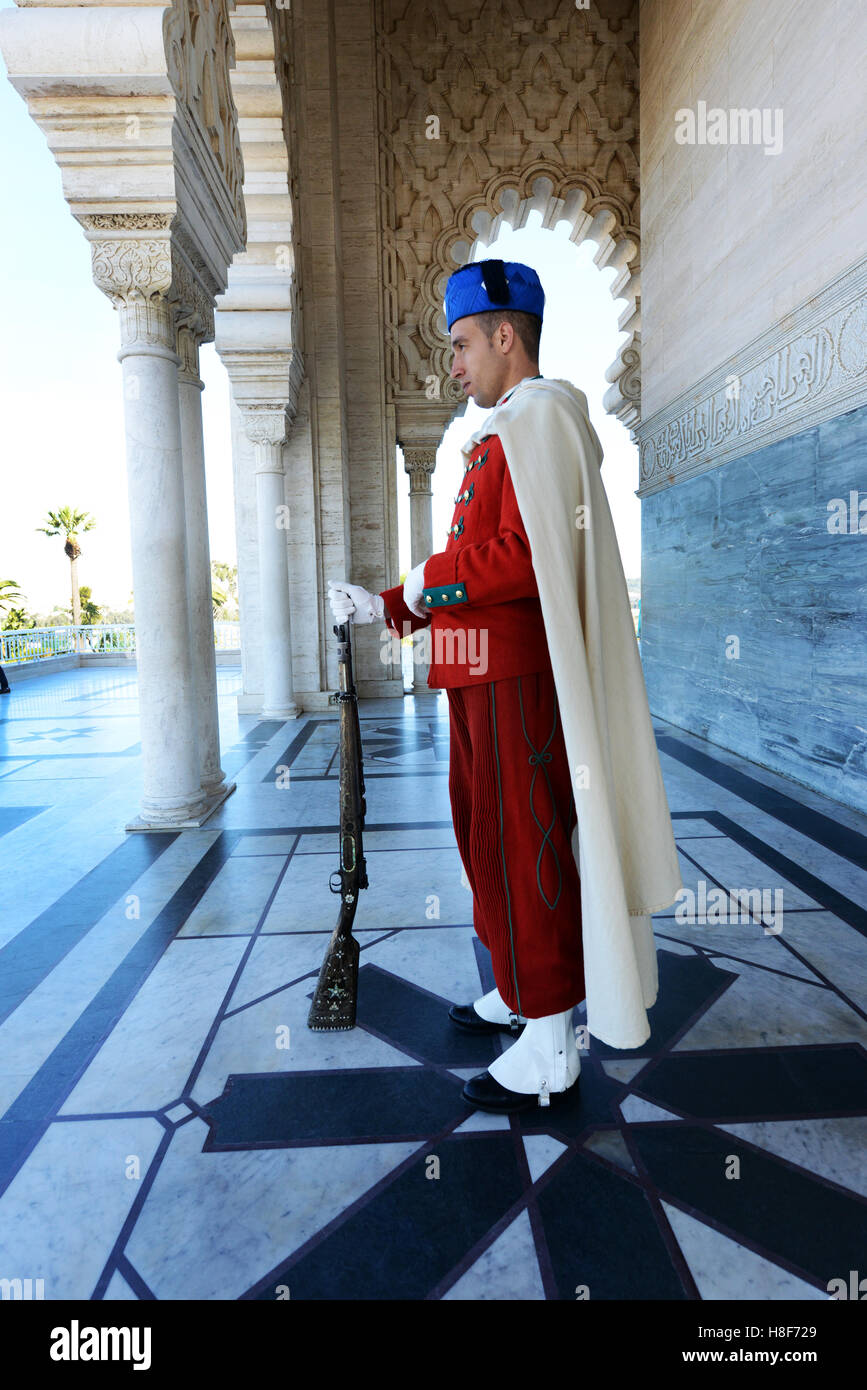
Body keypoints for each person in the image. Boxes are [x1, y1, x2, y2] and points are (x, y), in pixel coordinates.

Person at [329, 259, 681, 1113]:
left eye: (459, 346)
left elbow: (526, 559)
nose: (452, 366)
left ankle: (553, 1033)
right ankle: (520, 990)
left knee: (527, 848)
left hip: (517, 680)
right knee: (485, 842)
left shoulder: (544, 416)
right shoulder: (502, 429)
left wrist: (412, 586)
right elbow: (486, 568)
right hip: (476, 677)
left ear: (503, 334)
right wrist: (389, 611)